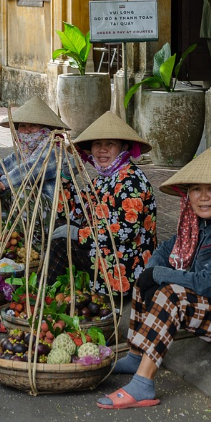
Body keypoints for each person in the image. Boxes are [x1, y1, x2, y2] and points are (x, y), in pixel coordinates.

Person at [98, 147, 211, 409]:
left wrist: (158, 275)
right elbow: (164, 250)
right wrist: (152, 273)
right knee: (146, 278)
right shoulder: (196, 223)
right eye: (196, 189)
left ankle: (143, 384)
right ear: (188, 194)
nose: (203, 197)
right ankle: (137, 354)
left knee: (172, 294)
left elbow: (210, 284)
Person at [51, 112, 157, 295]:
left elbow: (126, 230)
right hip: (104, 248)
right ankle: (53, 289)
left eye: (110, 144)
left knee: (62, 241)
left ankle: (42, 294)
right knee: (58, 225)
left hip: (125, 263)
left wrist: (80, 234)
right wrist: (67, 178)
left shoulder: (131, 179)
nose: (102, 150)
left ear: (123, 148)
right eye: (97, 145)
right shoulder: (104, 178)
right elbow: (74, 210)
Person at [0, 97, 71, 222]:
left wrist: (3, 182)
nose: (27, 131)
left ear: (45, 128)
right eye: (22, 126)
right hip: (27, 213)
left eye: (33, 125)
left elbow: (31, 170)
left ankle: (38, 238)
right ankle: (15, 234)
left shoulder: (54, 150)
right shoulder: (23, 153)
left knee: (20, 191)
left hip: (51, 211)